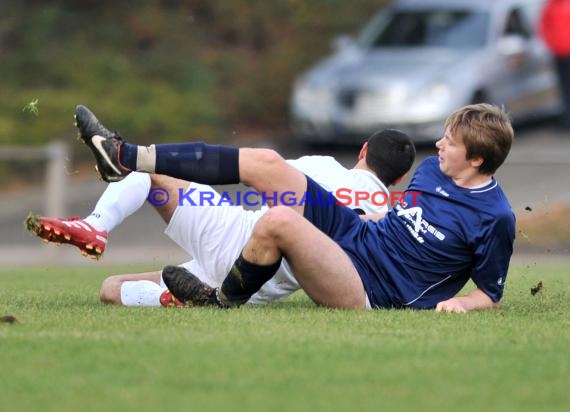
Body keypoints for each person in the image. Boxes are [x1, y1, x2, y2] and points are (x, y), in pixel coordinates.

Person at [73, 103, 515, 313]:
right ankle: (127, 155)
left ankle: (220, 301)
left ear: (476, 159)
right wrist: (370, 215)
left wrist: (463, 306)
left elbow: (490, 294)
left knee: (279, 220)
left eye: (450, 142)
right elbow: (405, 218)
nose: (438, 144)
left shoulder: (495, 218)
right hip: (355, 236)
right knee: (267, 162)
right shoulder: (432, 171)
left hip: (367, 289)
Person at [27, 128, 415, 307]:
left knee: (148, 176)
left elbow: (258, 175)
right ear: (398, 178)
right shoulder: (389, 214)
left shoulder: (321, 165)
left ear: (362, 150)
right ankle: (173, 298)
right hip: (254, 285)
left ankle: (95, 224)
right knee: (111, 289)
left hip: (232, 232)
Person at [539, 0, 570, 129]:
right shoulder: (550, 7)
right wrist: (553, 44)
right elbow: (543, 27)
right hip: (559, 54)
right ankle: (567, 119)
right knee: (565, 87)